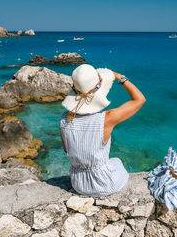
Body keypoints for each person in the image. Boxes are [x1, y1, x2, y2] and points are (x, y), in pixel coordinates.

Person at [60, 64, 146, 197]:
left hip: (79, 184)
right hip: (105, 184)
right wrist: (120, 77)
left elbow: (67, 150)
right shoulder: (106, 119)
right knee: (117, 161)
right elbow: (140, 99)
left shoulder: (65, 119)